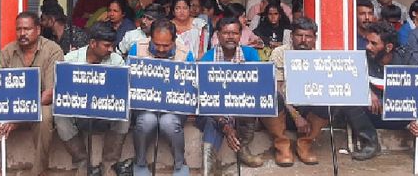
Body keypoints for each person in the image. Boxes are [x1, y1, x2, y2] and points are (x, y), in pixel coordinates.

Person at [0, 12, 64, 176]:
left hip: (40, 105)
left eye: (27, 29)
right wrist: (1, 117)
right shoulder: (7, 51)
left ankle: (39, 171)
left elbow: (49, 94)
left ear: (38, 29)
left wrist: (17, 117)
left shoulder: (52, 50)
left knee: (44, 116)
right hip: (11, 108)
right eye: (19, 29)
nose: (22, 33)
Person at [55, 23, 131, 175]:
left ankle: (109, 165)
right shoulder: (70, 60)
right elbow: (61, 92)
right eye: (107, 45)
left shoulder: (116, 61)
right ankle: (83, 164)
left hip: (106, 113)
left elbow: (122, 92)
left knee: (125, 112)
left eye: (112, 46)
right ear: (92, 43)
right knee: (59, 116)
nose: (111, 49)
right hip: (79, 114)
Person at [198, 17, 265, 173]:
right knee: (210, 121)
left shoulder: (250, 54)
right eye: (226, 33)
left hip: (241, 105)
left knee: (248, 108)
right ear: (218, 35)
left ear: (240, 35)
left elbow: (259, 86)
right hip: (215, 109)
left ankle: (243, 149)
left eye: (234, 33)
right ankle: (209, 168)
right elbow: (204, 98)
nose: (230, 37)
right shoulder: (208, 58)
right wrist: (225, 125)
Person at [128, 19, 194, 176]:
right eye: (157, 44)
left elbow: (191, 86)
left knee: (168, 122)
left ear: (174, 40)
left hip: (174, 107)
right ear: (150, 37)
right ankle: (140, 163)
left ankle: (180, 164)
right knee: (147, 121)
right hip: (143, 106)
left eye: (166, 45)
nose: (161, 49)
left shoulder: (185, 54)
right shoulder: (137, 49)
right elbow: (127, 79)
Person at [263, 18, 330, 166]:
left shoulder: (320, 57)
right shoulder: (280, 53)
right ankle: (282, 146)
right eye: (299, 35)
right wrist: (295, 115)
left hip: (307, 109)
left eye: (308, 36)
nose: (303, 40)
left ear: (315, 38)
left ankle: (306, 143)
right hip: (284, 110)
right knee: (271, 96)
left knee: (330, 98)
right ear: (292, 36)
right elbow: (277, 88)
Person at [355, 22, 418, 162]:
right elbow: (350, 81)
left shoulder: (407, 60)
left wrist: (417, 119)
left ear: (388, 47)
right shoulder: (362, 58)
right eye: (367, 42)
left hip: (400, 116)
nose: (368, 46)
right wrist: (366, 92)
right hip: (371, 115)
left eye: (373, 43)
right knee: (349, 100)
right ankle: (371, 143)